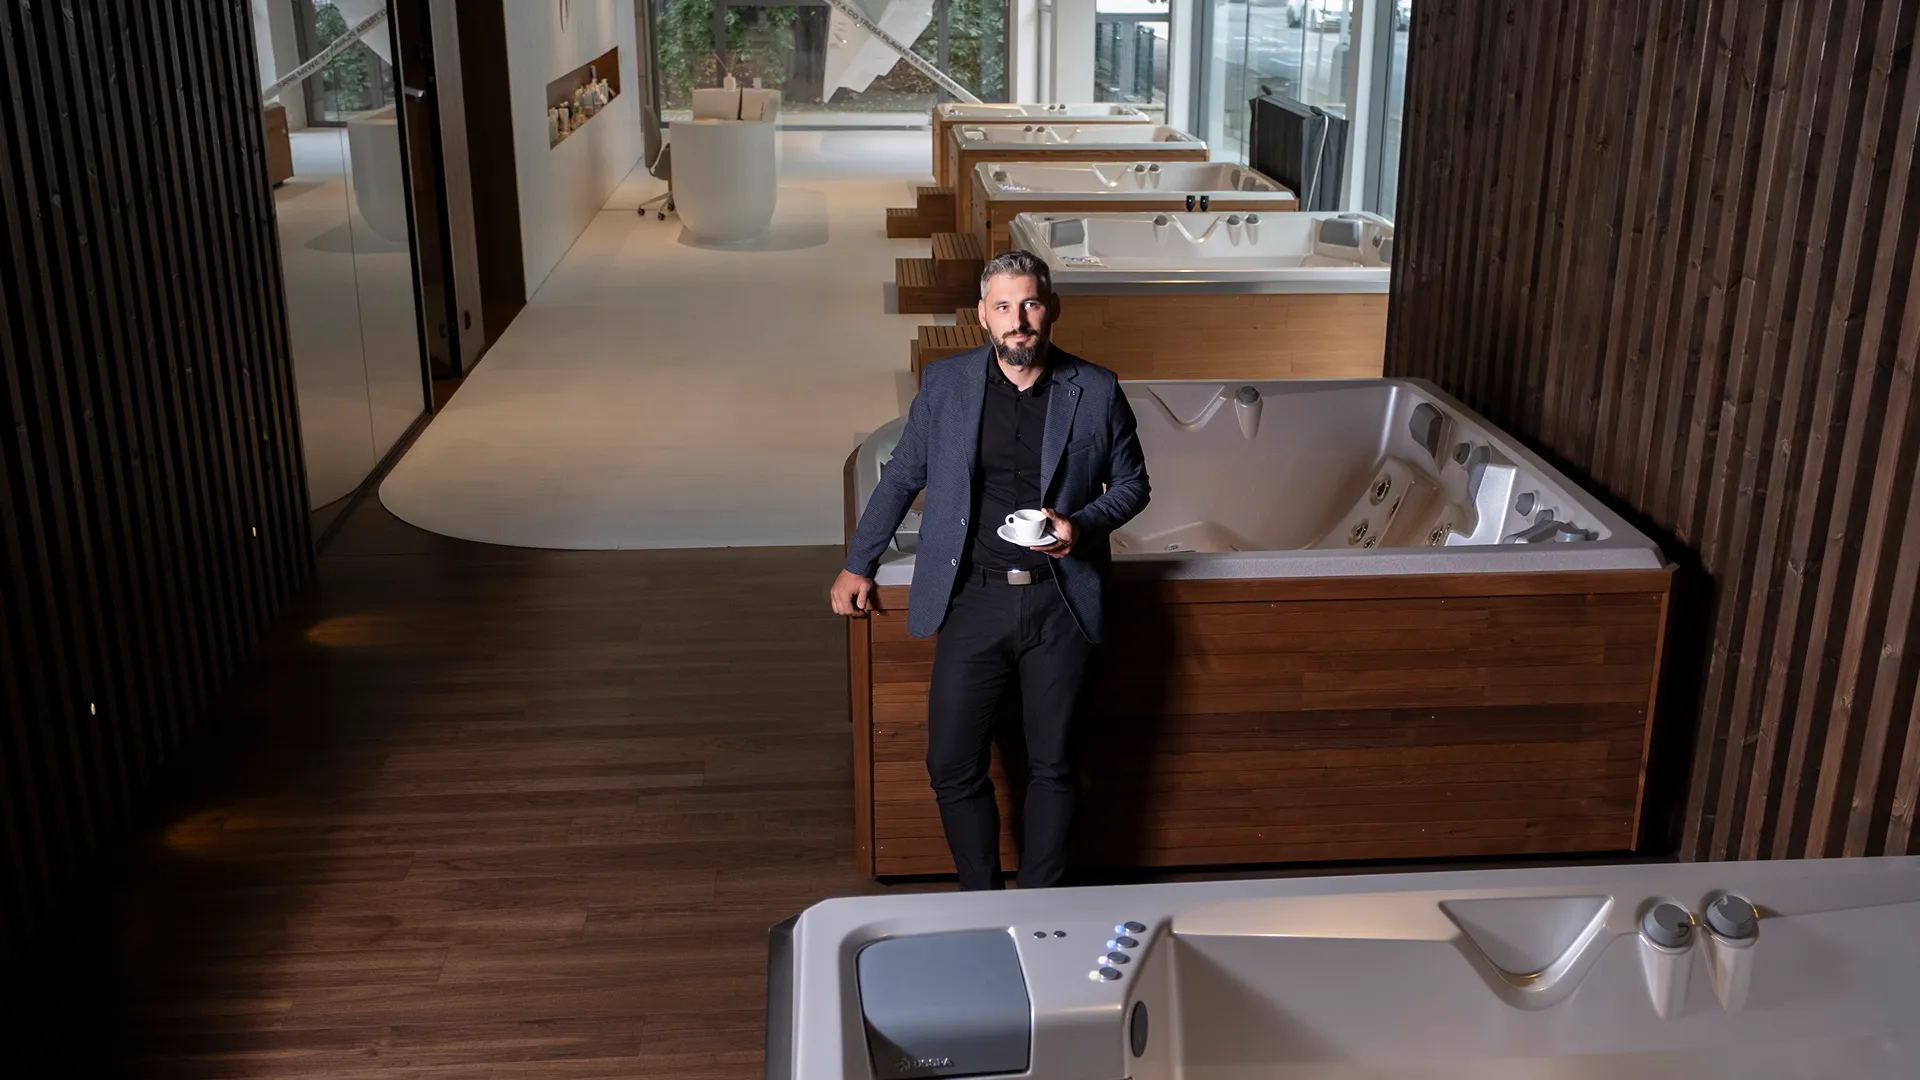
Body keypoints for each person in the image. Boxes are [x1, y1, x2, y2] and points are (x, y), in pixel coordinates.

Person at [830, 250, 1151, 890]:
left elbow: (1133, 486)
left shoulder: (1096, 388)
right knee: (951, 764)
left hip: (1060, 601)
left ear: (1051, 308)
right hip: (973, 598)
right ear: (982, 315)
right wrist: (858, 563)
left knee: (1055, 765)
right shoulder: (947, 385)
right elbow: (902, 476)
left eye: (1029, 304)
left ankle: (1037, 903)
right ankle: (981, 898)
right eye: (1003, 306)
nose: (1017, 320)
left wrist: (1080, 526)